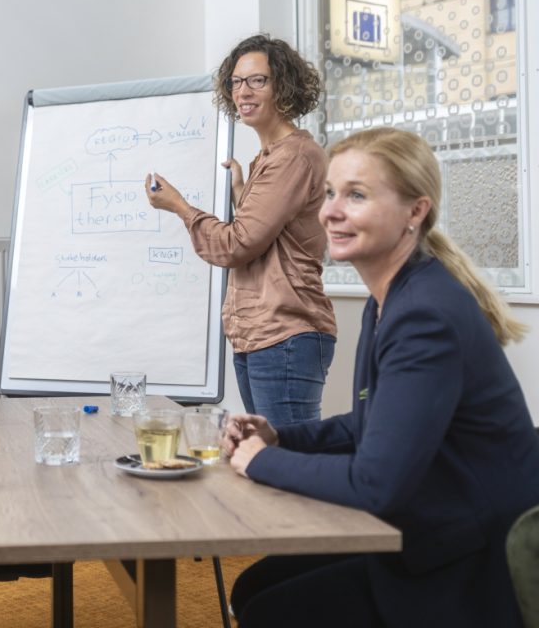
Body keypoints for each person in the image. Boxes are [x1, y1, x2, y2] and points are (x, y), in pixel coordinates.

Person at [221, 127, 539, 627]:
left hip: (472, 556)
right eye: (329, 193)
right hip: (434, 522)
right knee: (256, 584)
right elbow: (370, 422)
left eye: (357, 195)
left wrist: (259, 461)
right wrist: (281, 437)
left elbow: (375, 486)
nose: (330, 211)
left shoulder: (423, 314)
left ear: (416, 212)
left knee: (270, 611)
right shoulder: (390, 297)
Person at [146, 34, 336, 426]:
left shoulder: (293, 157)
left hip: (285, 333)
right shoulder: (270, 158)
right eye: (235, 81)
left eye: (257, 81)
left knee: (287, 463)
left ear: (283, 86)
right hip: (259, 333)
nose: (242, 91)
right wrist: (240, 190)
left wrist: (179, 207)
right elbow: (273, 240)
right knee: (269, 459)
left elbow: (237, 246)